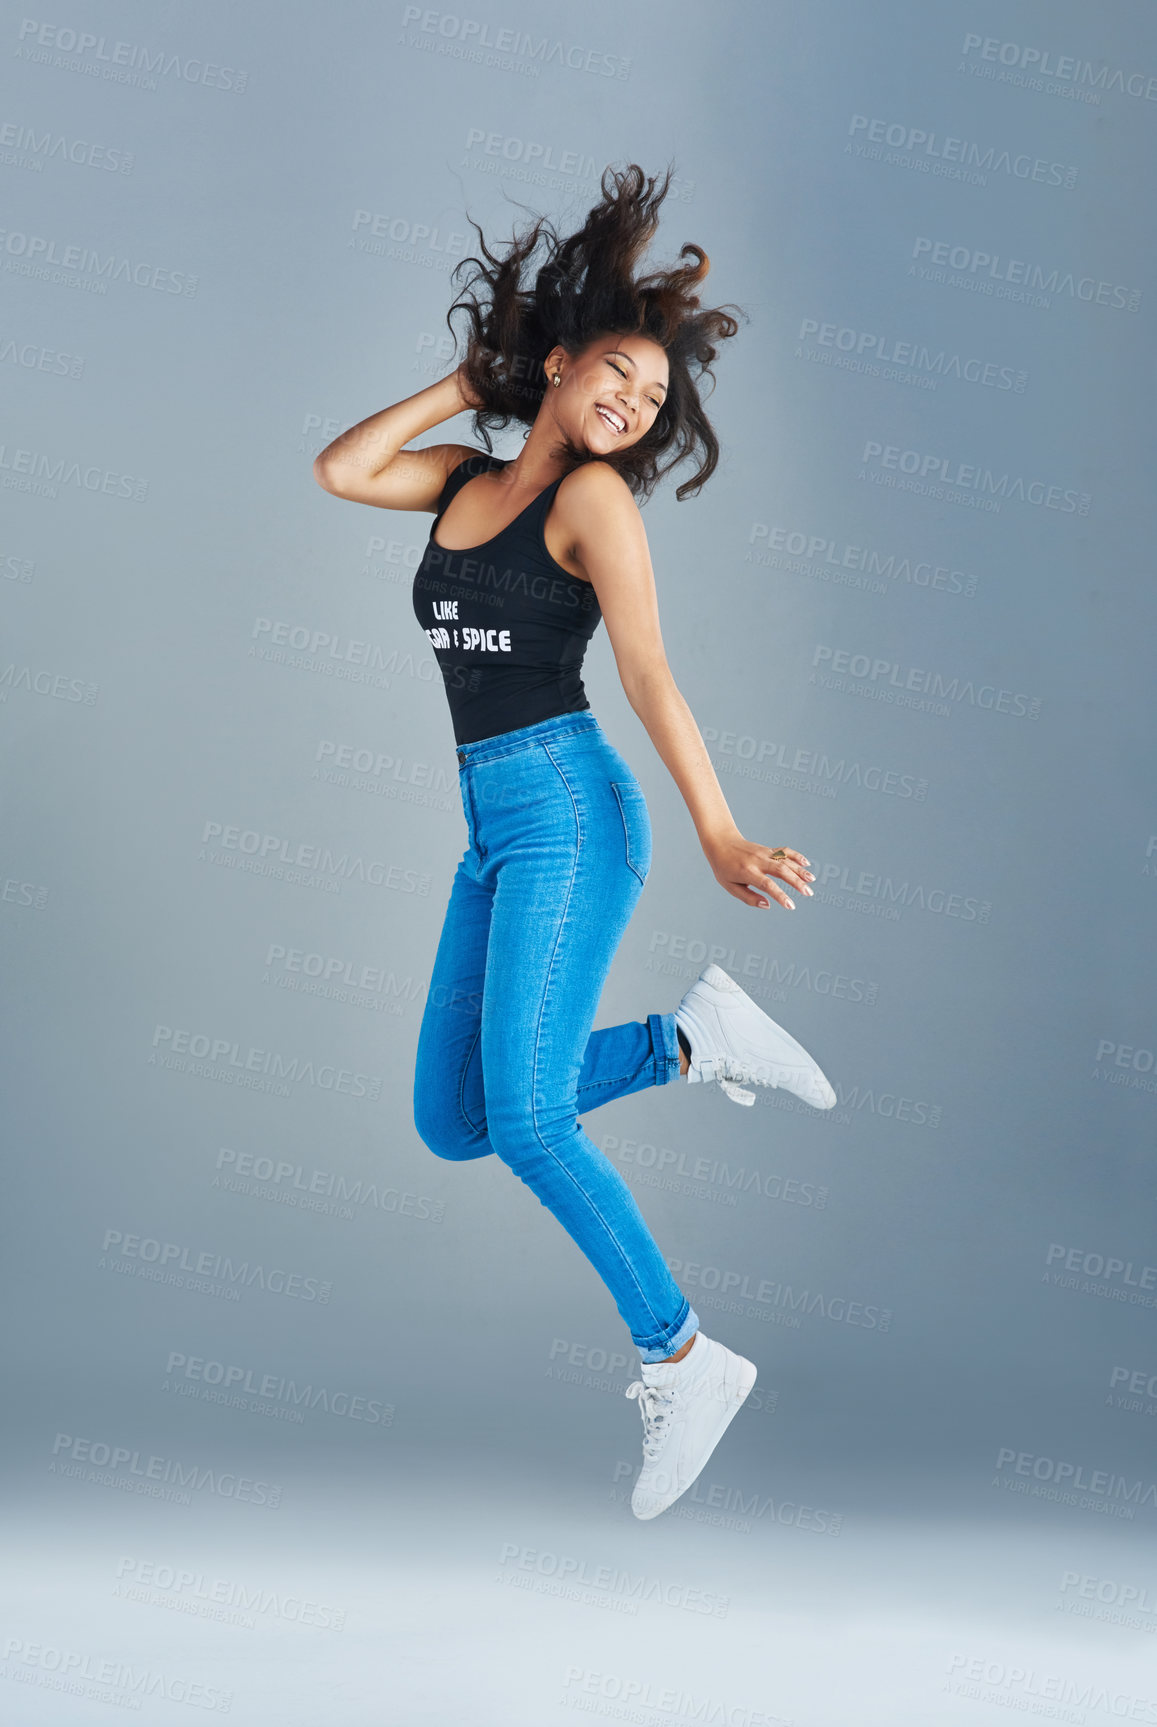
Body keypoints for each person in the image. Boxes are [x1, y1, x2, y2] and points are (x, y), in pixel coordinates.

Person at [312, 163, 836, 1521]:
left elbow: (652, 676)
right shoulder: (463, 484)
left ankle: (682, 1354)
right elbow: (339, 467)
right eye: (616, 373)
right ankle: (685, 1043)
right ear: (558, 363)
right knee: (453, 1122)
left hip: (570, 812)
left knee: (530, 1120)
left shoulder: (591, 507)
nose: (630, 404)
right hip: (491, 821)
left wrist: (716, 829)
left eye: (652, 401)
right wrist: (468, 379)